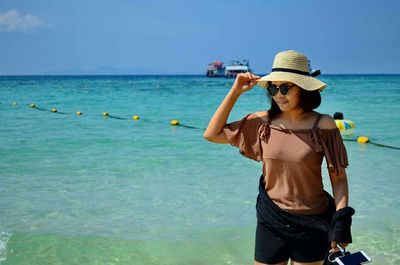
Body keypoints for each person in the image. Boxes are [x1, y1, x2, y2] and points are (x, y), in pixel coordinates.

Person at [203, 50, 354, 265]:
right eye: (273, 88)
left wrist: (342, 221)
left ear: (302, 88)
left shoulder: (323, 124)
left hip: (313, 221)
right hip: (271, 218)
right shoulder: (261, 122)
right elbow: (211, 134)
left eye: (285, 87)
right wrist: (235, 92)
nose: (278, 94)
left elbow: (338, 178)